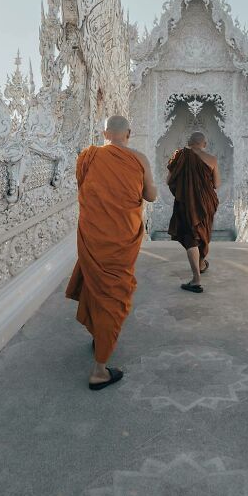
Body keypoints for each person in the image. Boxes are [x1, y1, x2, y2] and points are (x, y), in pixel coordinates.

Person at [65, 115, 157, 390]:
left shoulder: (88, 157)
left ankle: (99, 334)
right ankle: (100, 369)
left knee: (97, 285)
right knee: (114, 292)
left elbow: (84, 189)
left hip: (94, 235)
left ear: (104, 133)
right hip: (121, 238)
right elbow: (151, 196)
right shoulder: (139, 159)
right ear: (128, 133)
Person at [166, 130, 220, 293]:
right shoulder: (212, 160)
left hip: (187, 203)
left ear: (189, 143)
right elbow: (217, 184)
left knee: (191, 238)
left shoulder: (179, 156)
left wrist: (185, 187)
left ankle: (196, 279)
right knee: (201, 234)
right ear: (204, 144)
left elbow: (168, 180)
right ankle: (201, 265)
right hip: (206, 203)